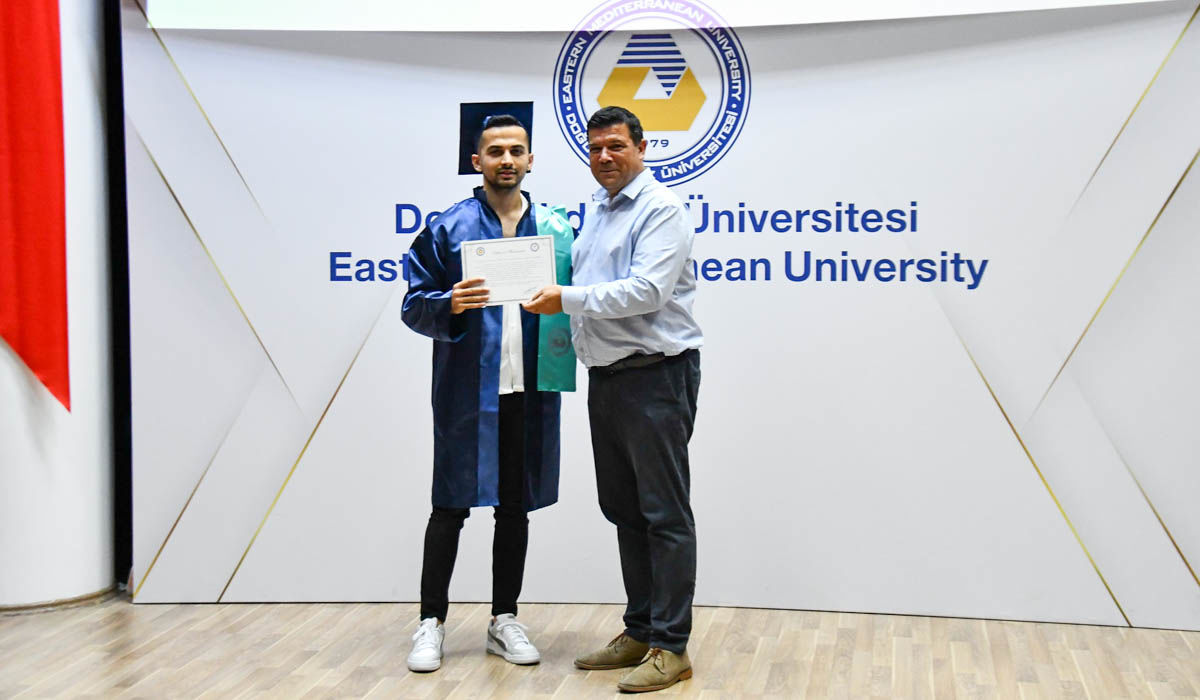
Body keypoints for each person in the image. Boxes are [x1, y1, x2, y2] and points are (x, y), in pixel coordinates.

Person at [524, 106, 703, 693]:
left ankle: (671, 647)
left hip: (656, 377)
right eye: (595, 147)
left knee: (664, 514)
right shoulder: (599, 211)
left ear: (641, 147)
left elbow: (647, 292)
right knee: (625, 510)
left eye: (616, 146)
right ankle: (641, 628)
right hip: (609, 379)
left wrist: (565, 299)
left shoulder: (660, 209)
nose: (604, 156)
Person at [401, 114, 573, 673]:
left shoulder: (555, 229)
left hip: (529, 387)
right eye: (495, 151)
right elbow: (412, 303)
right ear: (477, 161)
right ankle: (431, 621)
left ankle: (504, 619)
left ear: (530, 160)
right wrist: (448, 303)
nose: (506, 160)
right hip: (468, 391)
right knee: (449, 506)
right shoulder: (448, 228)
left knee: (514, 507)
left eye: (516, 150)